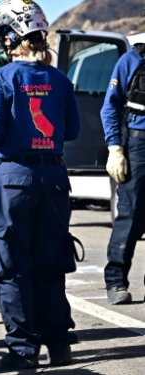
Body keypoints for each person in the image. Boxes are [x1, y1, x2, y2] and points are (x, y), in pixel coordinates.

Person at [0, 0, 81, 369]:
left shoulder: (1, 79)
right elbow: (72, 130)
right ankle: (58, 345)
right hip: (53, 176)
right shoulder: (61, 79)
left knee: (10, 266)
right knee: (51, 262)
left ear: (10, 37)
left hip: (13, 178)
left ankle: (23, 352)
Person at [102, 6, 145, 305]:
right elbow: (110, 106)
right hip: (138, 142)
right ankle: (116, 282)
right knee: (130, 215)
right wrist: (115, 147)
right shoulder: (131, 59)